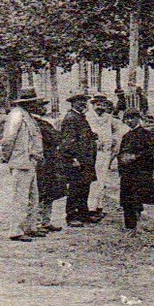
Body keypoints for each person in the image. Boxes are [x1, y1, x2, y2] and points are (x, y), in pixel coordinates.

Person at [0, 89, 48, 241]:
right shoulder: (16, 115)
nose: (36, 105)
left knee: (33, 197)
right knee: (20, 197)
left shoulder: (27, 116)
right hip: (21, 161)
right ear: (27, 103)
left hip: (30, 161)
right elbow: (8, 140)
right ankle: (16, 230)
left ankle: (30, 227)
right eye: (33, 102)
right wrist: (9, 158)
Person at [114, 110, 154, 231]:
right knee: (127, 199)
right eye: (127, 119)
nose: (129, 121)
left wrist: (135, 156)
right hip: (127, 172)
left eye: (132, 118)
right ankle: (130, 227)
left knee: (137, 197)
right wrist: (121, 161)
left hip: (140, 171)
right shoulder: (126, 136)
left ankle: (136, 223)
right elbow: (121, 153)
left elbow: (153, 150)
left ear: (138, 119)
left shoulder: (146, 134)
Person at [59, 93, 101, 226]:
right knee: (75, 188)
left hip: (86, 159)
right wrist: (73, 158)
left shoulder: (80, 117)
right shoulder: (71, 118)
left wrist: (91, 136)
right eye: (80, 101)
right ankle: (71, 216)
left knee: (85, 186)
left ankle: (83, 214)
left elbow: (81, 136)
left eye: (84, 101)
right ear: (73, 103)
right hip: (77, 160)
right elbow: (68, 141)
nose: (83, 103)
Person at [88, 96, 122, 218]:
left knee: (102, 180)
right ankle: (90, 208)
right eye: (97, 104)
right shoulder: (88, 117)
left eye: (103, 104)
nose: (100, 106)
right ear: (93, 105)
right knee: (93, 181)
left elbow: (119, 129)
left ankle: (99, 206)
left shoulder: (108, 118)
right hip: (92, 153)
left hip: (105, 152)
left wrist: (114, 140)